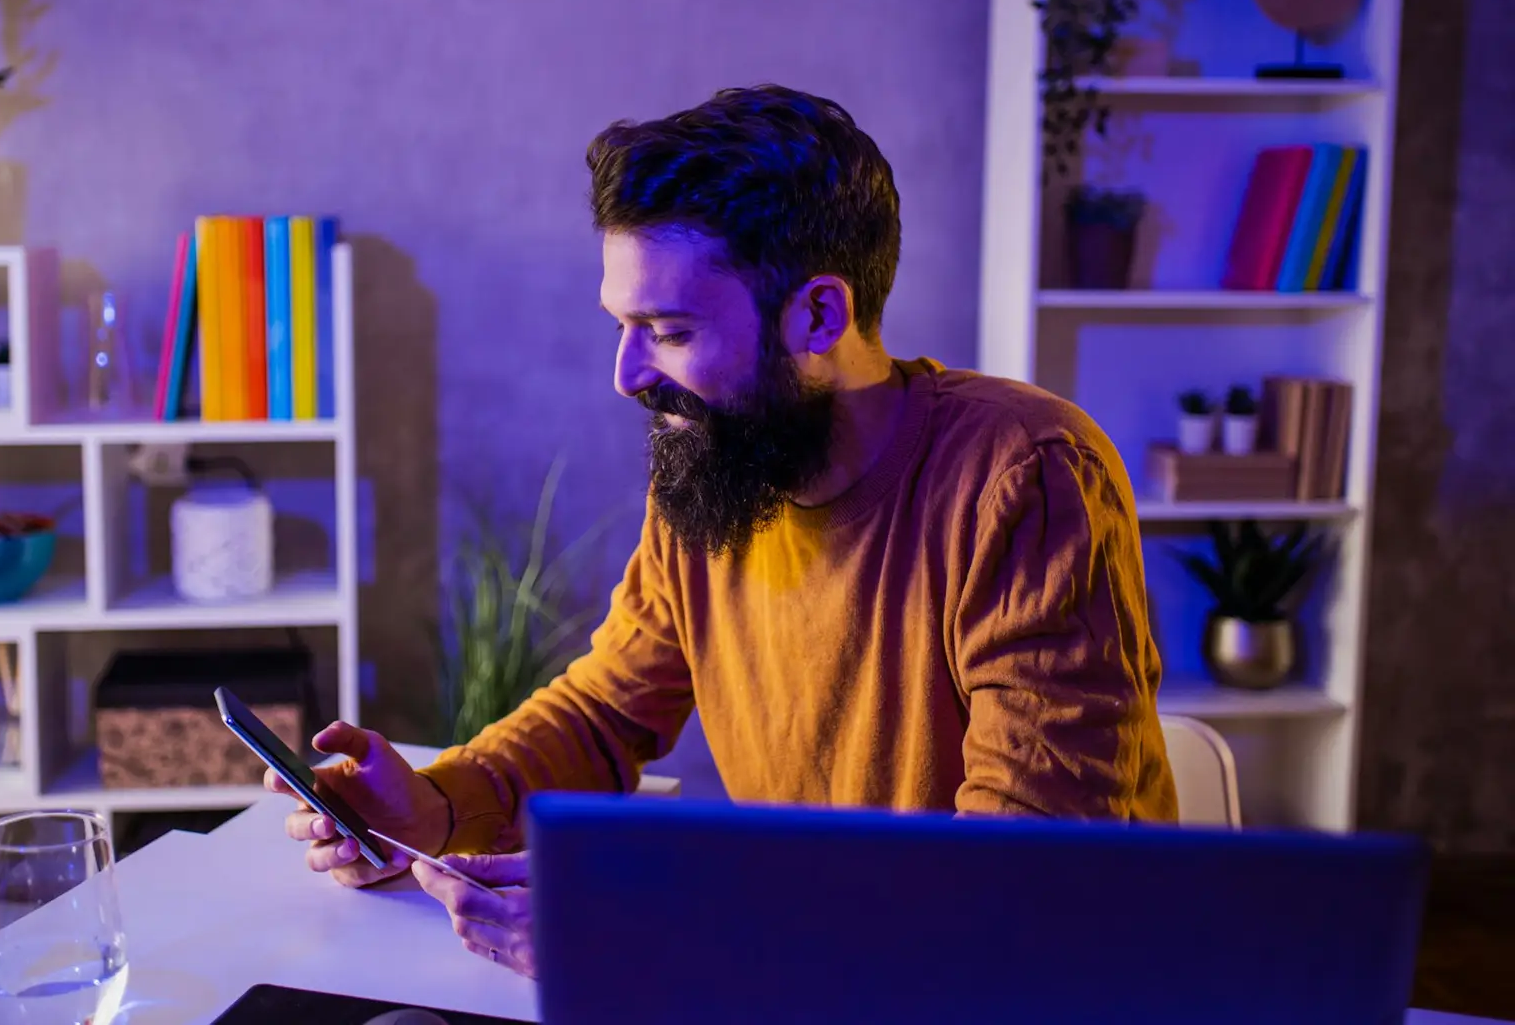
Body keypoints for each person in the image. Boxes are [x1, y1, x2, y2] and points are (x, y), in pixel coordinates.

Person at [267, 83, 1179, 978]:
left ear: (818, 315)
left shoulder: (1024, 476)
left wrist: (657, 936)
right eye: (622, 326)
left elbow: (1022, 882)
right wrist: (428, 808)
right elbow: (605, 711)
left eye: (667, 331)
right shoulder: (719, 474)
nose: (626, 375)